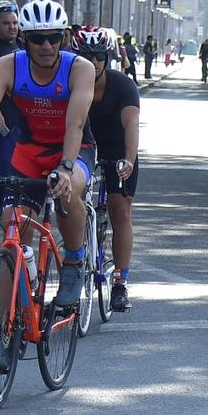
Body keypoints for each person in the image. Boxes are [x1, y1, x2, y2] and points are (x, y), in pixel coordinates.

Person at [0, 0, 96, 359]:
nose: (46, 46)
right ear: (24, 40)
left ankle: (74, 261)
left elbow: (75, 124)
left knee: (69, 191)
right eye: (37, 39)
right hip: (29, 151)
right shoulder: (6, 66)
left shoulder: (80, 68)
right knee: (11, 231)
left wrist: (64, 167)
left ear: (64, 37)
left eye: (53, 38)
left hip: (72, 149)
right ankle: (7, 330)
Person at [77, 27, 140, 312]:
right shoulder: (70, 83)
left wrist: (128, 158)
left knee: (120, 210)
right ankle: (74, 264)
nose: (94, 62)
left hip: (117, 150)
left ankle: (120, 283)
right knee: (71, 203)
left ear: (107, 57)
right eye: (87, 56)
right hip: (83, 148)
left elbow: (131, 125)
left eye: (99, 56)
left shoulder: (122, 85)